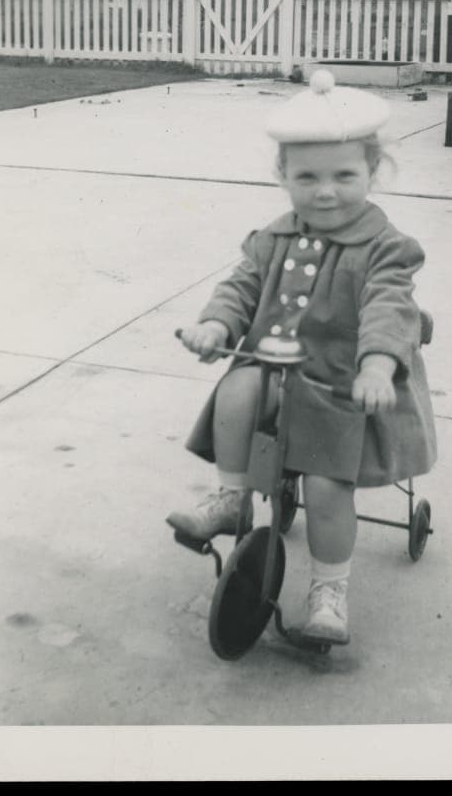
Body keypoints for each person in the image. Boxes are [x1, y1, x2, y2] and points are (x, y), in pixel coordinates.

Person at [166, 69, 436, 645]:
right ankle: (234, 498)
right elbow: (241, 286)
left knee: (325, 488)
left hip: (342, 388)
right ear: (283, 176)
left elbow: (390, 308)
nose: (326, 191)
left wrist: (377, 366)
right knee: (237, 389)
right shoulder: (272, 238)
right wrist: (216, 324)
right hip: (274, 371)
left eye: (344, 175)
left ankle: (330, 590)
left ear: (373, 173)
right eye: (307, 177)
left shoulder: (387, 248)